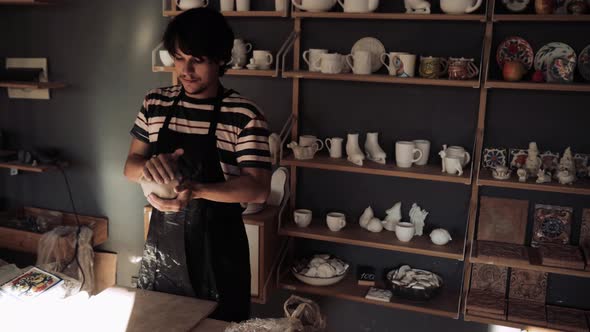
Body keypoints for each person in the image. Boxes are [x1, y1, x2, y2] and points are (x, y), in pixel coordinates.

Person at [123, 8, 271, 322]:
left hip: (220, 252)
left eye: (197, 60)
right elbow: (130, 167)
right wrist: (151, 168)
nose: (185, 70)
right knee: (158, 324)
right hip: (164, 245)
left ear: (220, 59)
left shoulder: (243, 114)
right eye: (178, 58)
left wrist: (198, 189)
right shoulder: (155, 103)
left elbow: (258, 189)